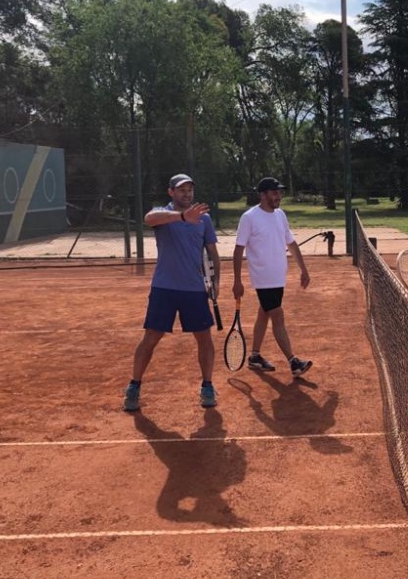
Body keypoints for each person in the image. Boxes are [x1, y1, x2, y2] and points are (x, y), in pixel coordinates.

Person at [123, 173, 221, 412]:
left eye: (189, 190)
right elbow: (148, 218)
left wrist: (215, 282)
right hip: (164, 288)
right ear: (171, 192)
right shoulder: (163, 214)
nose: (186, 194)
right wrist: (182, 217)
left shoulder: (204, 219)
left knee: (204, 339)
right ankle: (134, 386)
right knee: (151, 339)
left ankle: (207, 386)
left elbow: (212, 252)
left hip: (195, 290)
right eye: (181, 190)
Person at [232, 177, 313, 377]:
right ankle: (293, 362)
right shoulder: (249, 217)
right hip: (262, 277)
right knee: (277, 314)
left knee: (264, 312)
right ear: (263, 194)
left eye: (279, 193)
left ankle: (254, 357)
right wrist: (237, 280)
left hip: (278, 276)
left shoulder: (280, 215)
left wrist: (304, 269)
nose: (279, 196)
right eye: (275, 192)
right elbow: (238, 249)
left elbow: (291, 244)